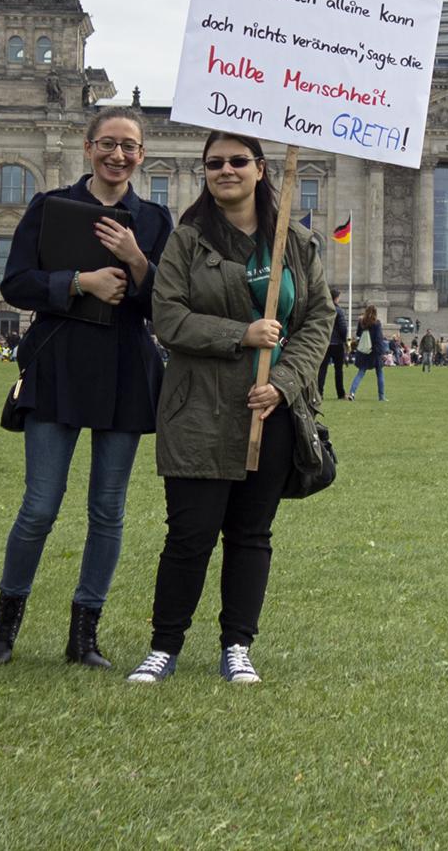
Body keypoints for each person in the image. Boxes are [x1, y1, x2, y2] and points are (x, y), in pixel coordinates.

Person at [127, 131, 333, 685]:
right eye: (214, 163)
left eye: (238, 161)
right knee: (189, 534)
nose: (226, 170)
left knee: (251, 534)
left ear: (260, 169)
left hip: (272, 410)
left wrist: (285, 383)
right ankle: (164, 646)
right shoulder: (187, 240)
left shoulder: (294, 241)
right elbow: (167, 319)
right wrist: (241, 333)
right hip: (198, 408)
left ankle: (238, 645)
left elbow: (319, 319)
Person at [0, 106, 171, 669]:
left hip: (125, 367)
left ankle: (84, 635)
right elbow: (14, 282)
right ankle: (4, 625)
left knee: (108, 510)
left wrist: (137, 260)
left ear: (141, 155)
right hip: (59, 360)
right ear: (88, 147)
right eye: (108, 143)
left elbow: (165, 305)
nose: (118, 155)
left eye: (129, 147)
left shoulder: (155, 220)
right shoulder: (50, 206)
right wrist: (79, 282)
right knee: (39, 506)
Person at [349, 306, 387, 401]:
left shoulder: (361, 322)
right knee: (379, 373)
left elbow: (358, 335)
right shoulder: (377, 323)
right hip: (374, 351)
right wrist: (383, 353)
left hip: (363, 351)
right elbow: (379, 339)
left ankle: (352, 392)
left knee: (360, 372)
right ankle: (381, 396)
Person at [319, 291, 348, 401]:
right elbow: (342, 328)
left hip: (325, 342)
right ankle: (341, 393)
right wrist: (343, 339)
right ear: (336, 299)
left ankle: (319, 393)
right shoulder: (338, 310)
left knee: (323, 369)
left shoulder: (323, 310)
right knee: (338, 370)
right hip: (337, 343)